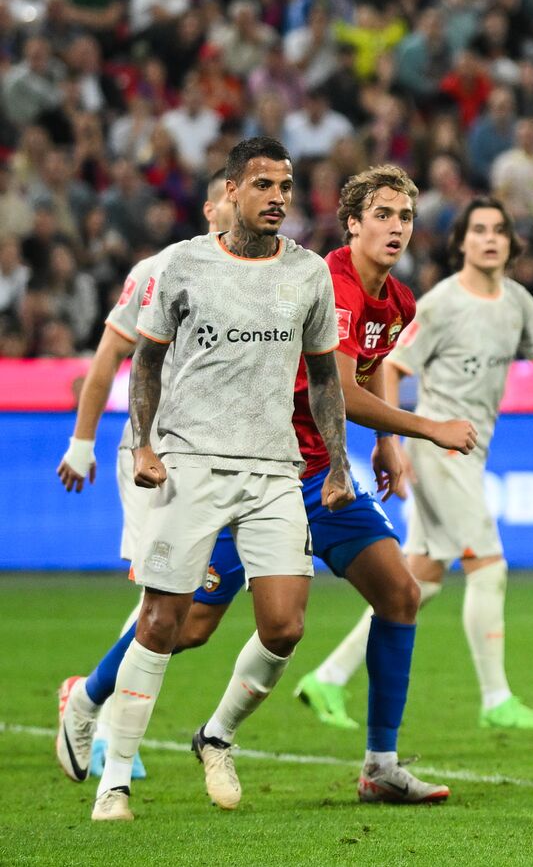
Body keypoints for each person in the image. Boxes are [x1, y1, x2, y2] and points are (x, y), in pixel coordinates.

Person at [58, 163, 479, 807]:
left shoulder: (397, 302)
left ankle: (378, 765)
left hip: (320, 476)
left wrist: (386, 442)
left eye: (406, 218)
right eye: (384, 216)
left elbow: (365, 377)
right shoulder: (326, 280)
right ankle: (89, 694)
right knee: (188, 625)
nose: (397, 229)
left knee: (398, 594)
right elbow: (331, 384)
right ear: (353, 223)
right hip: (263, 466)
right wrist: (426, 428)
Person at [83, 136, 353, 821]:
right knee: (164, 619)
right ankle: (115, 778)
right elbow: (144, 363)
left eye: (286, 187)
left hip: (272, 468)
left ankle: (216, 733)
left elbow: (324, 377)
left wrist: (339, 463)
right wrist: (142, 445)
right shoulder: (181, 265)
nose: (278, 198)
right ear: (230, 191)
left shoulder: (309, 273)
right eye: (264, 185)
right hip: (191, 460)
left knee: (286, 625)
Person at [298, 196, 533, 731]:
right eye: (478, 229)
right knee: (489, 566)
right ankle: (496, 697)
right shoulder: (439, 304)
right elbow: (390, 366)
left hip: (471, 455)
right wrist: (394, 441)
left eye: (499, 230)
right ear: (461, 242)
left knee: (420, 581)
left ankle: (328, 677)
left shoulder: (518, 301)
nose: (490, 238)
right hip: (440, 451)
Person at [55, 171, 235, 782]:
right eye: (231, 198)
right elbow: (110, 354)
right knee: (159, 594)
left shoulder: (272, 277)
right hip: (154, 452)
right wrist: (83, 442)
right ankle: (101, 726)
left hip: (232, 458)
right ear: (212, 206)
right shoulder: (162, 268)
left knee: (194, 618)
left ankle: (90, 695)